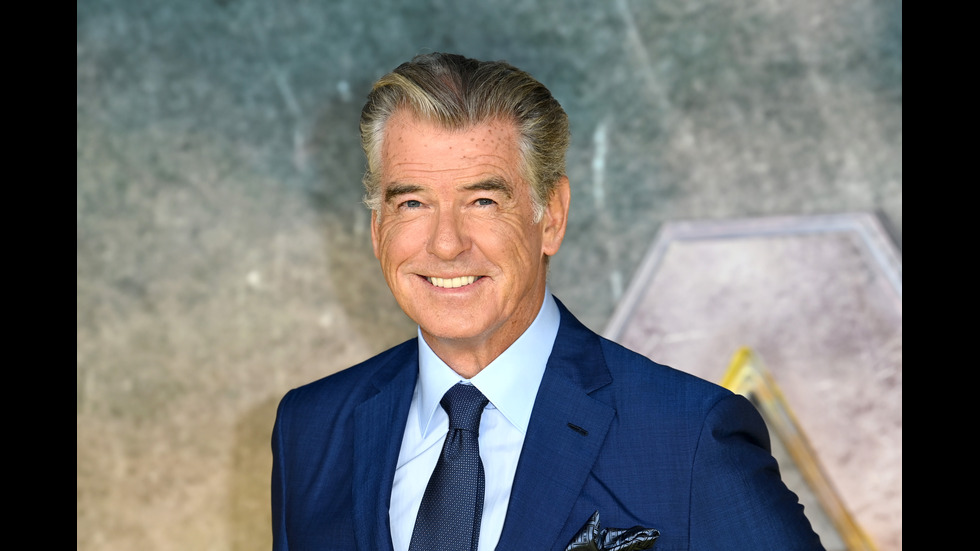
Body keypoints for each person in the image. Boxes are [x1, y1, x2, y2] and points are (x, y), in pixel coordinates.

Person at [271, 52, 825, 551]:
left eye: (483, 201)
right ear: (377, 228)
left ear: (552, 217)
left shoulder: (689, 438)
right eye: (412, 203)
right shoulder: (311, 428)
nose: (446, 244)